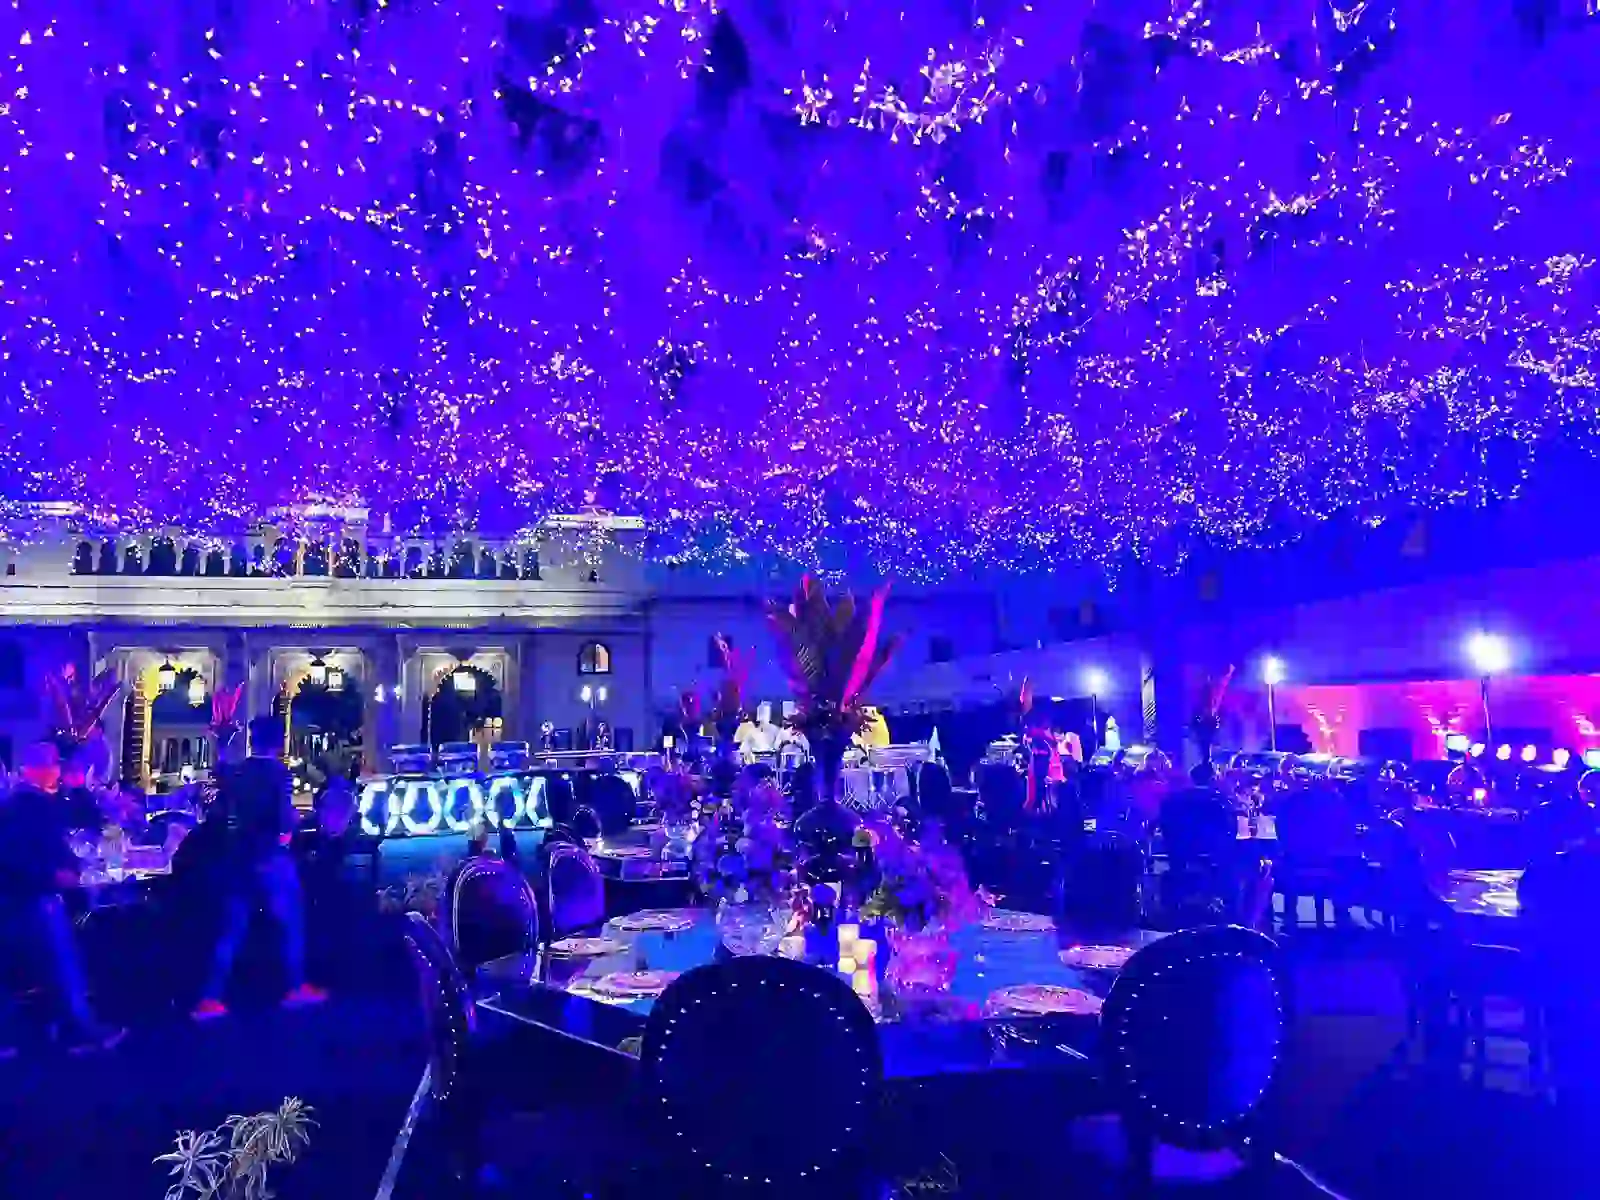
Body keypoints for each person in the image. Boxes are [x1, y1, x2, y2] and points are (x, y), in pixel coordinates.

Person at [191, 718, 327, 1020]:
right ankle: (295, 988)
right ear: (279, 741)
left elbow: (221, 779)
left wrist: (222, 743)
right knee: (291, 922)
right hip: (271, 856)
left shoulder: (239, 771)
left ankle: (210, 999)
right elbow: (283, 819)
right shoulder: (279, 773)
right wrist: (293, 826)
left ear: (253, 740)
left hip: (240, 855)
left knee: (231, 930)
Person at [0, 741, 127, 1053]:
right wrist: (56, 875)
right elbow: (23, 853)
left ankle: (51, 1027)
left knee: (43, 965)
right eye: (54, 764)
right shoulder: (27, 805)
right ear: (40, 769)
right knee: (62, 964)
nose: (58, 770)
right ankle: (77, 1028)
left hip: (25, 895)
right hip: (34, 896)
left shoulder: (26, 803)